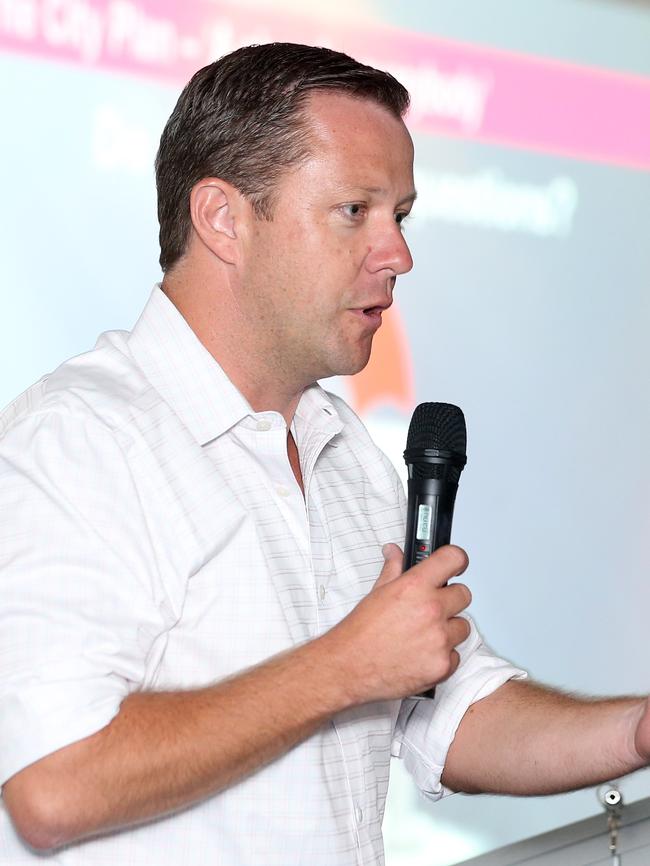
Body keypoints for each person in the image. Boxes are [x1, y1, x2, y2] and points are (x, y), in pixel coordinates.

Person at [0, 42, 648, 866]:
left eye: (400, 216)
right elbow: (53, 786)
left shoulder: (345, 452)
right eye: (355, 211)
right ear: (223, 220)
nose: (398, 255)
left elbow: (450, 716)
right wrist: (345, 666)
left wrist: (637, 729)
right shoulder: (80, 442)